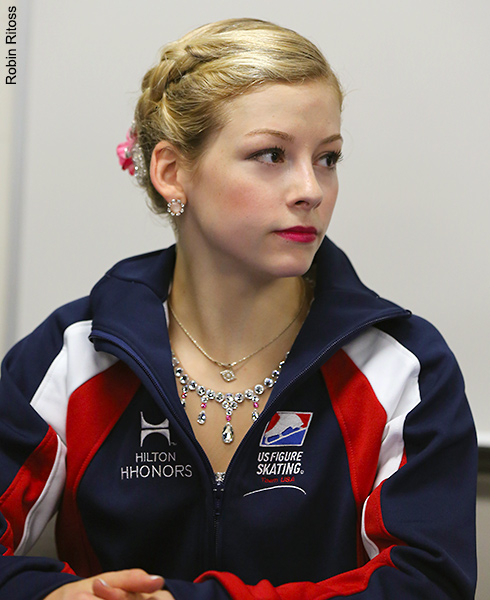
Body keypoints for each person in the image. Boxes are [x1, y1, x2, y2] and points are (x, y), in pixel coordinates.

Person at [0, 17, 477, 600]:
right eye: (272, 154)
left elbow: (428, 584)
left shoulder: (404, 366)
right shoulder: (72, 355)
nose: (312, 189)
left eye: (328, 158)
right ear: (172, 172)